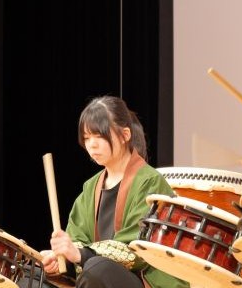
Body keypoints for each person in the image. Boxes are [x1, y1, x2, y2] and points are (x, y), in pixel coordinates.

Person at [25, 96, 186, 288]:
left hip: (145, 282)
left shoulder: (150, 182)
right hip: (98, 276)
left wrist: (80, 254)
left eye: (99, 136)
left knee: (98, 269)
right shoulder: (90, 188)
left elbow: (137, 249)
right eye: (86, 138)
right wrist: (62, 259)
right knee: (28, 275)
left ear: (125, 135)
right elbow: (78, 242)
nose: (91, 145)